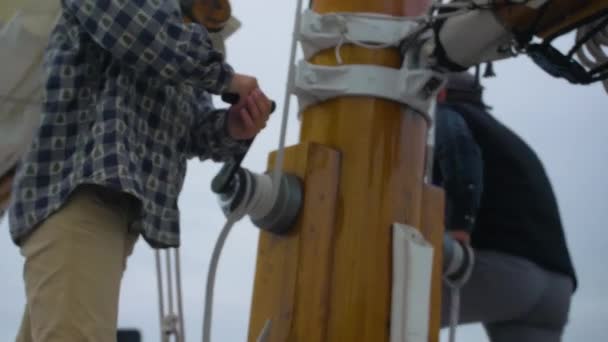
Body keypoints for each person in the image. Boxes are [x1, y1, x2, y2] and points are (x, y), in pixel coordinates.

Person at [7, 0, 273, 341]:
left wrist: (232, 127)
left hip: (113, 207)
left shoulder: (180, 32)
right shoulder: (164, 32)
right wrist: (225, 78)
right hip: (75, 191)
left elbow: (190, 127)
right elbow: (143, 34)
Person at [433, 72, 577, 342]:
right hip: (556, 290)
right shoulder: (510, 139)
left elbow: (457, 147)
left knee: (376, 305)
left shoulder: (448, 114)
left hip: (503, 276)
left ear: (438, 93)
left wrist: (458, 225)